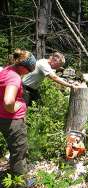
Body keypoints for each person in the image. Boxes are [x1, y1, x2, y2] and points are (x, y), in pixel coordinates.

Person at [0, 49, 36, 178]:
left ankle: (16, 171)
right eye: (30, 70)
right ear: (22, 67)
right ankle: (20, 181)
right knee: (19, 150)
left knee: (16, 149)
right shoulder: (14, 77)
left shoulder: (7, 70)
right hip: (12, 120)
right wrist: (18, 106)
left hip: (3, 117)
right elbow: (8, 101)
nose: (29, 73)